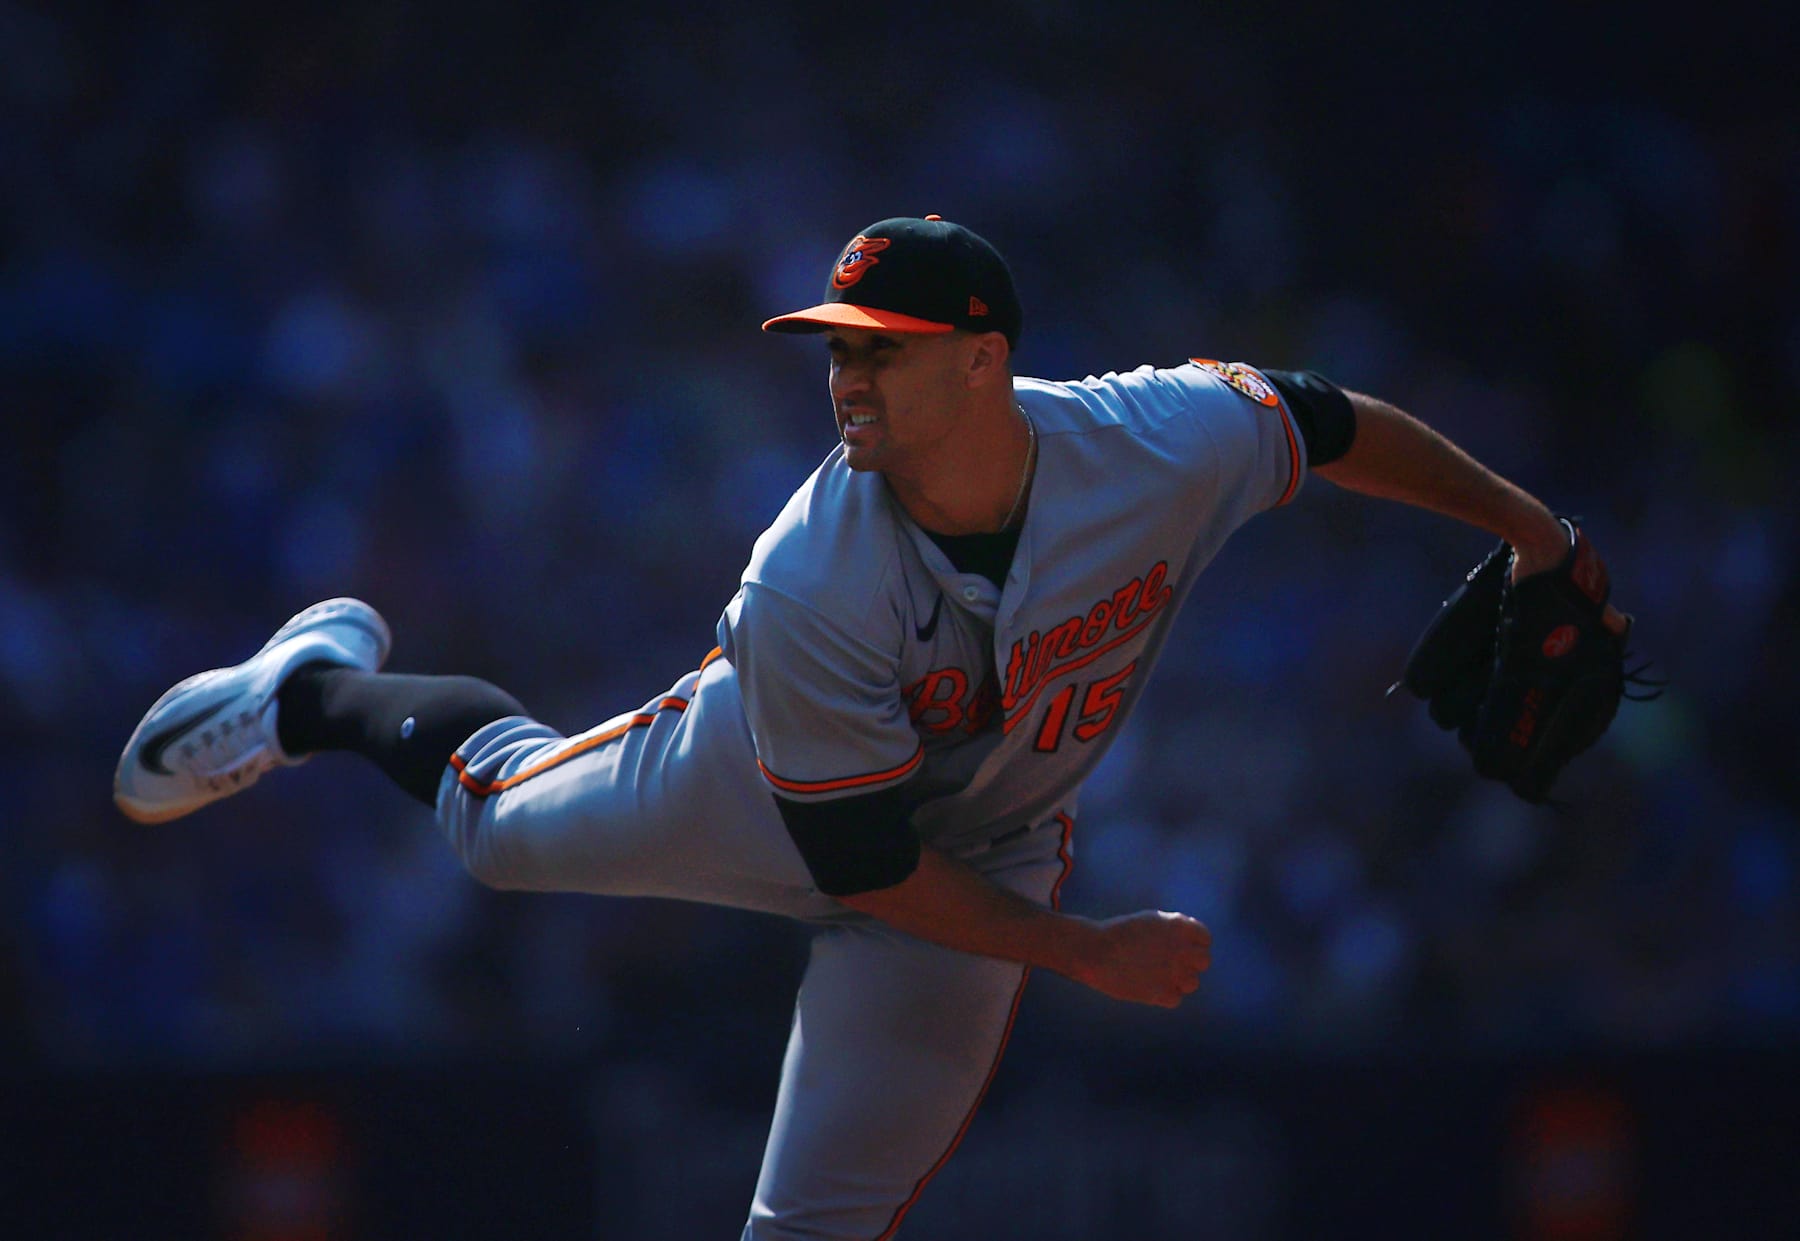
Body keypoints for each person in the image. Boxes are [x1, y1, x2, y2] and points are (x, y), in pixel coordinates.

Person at [115, 214, 1630, 1239]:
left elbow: (1331, 425)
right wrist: (1085, 950)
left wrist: (1530, 534)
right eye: (838, 346)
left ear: (986, 357)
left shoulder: (1161, 440)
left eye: (881, 346)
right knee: (493, 834)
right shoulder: (806, 576)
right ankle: (311, 687)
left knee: (815, 1229)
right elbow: (863, 864)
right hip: (764, 788)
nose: (847, 374)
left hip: (984, 847)